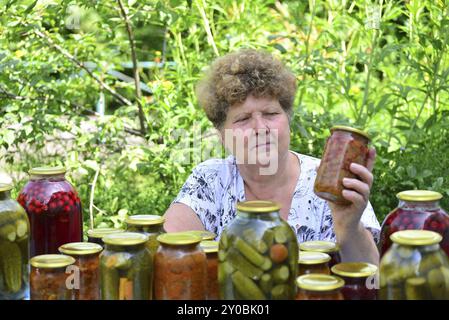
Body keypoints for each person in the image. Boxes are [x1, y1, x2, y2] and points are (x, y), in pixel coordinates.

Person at [163, 49, 380, 264]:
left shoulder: (327, 185)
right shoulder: (211, 179)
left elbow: (371, 276)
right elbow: (166, 247)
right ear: (222, 136)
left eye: (271, 114)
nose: (260, 128)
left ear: (287, 120)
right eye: (243, 119)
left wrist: (348, 227)